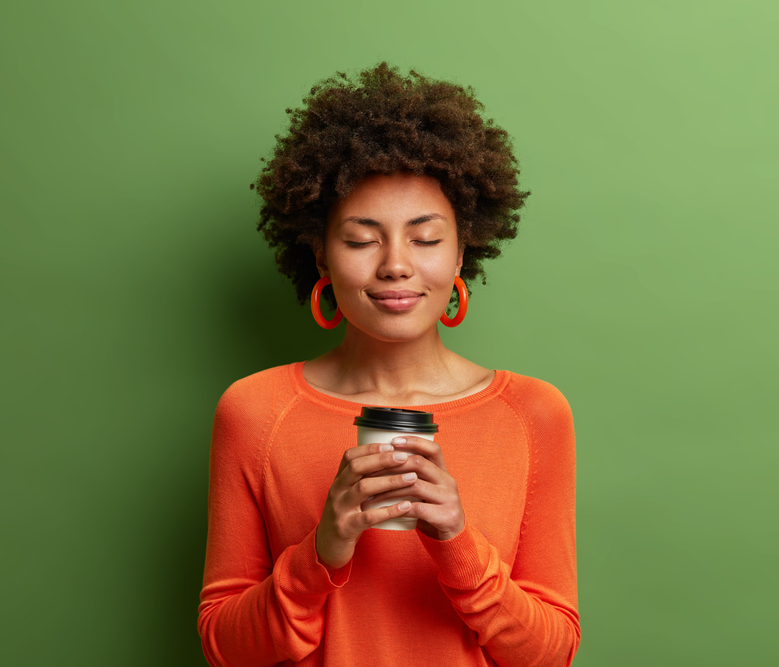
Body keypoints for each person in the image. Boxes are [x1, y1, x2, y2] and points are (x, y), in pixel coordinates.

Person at [198, 63, 579, 667]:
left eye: (425, 239)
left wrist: (457, 542)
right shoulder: (253, 410)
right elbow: (226, 649)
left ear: (462, 249)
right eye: (361, 239)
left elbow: (550, 653)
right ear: (320, 251)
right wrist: (321, 552)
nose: (396, 265)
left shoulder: (534, 414)